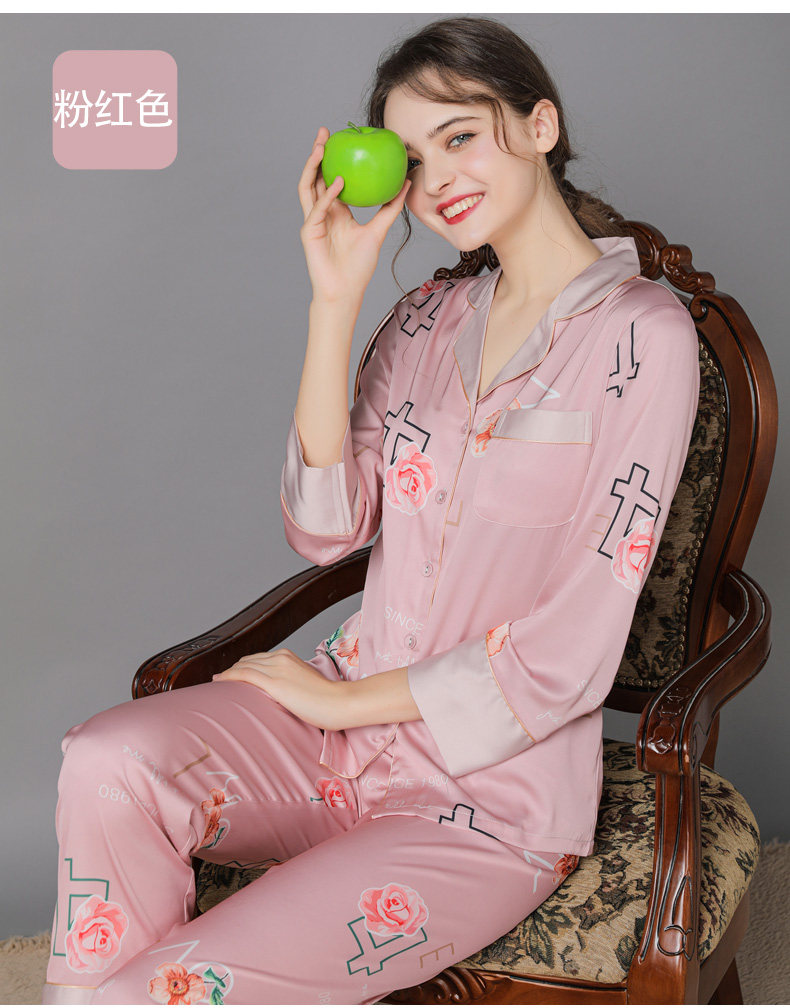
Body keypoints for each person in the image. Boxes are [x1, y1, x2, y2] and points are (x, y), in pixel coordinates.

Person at [43, 15, 700, 1006]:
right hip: (332, 744)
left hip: (487, 802)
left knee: (161, 989)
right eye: (412, 158)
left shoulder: (641, 339)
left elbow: (572, 645)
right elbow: (326, 527)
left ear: (539, 126)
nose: (436, 181)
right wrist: (334, 301)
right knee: (106, 761)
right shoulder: (424, 321)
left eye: (460, 135)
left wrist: (342, 702)